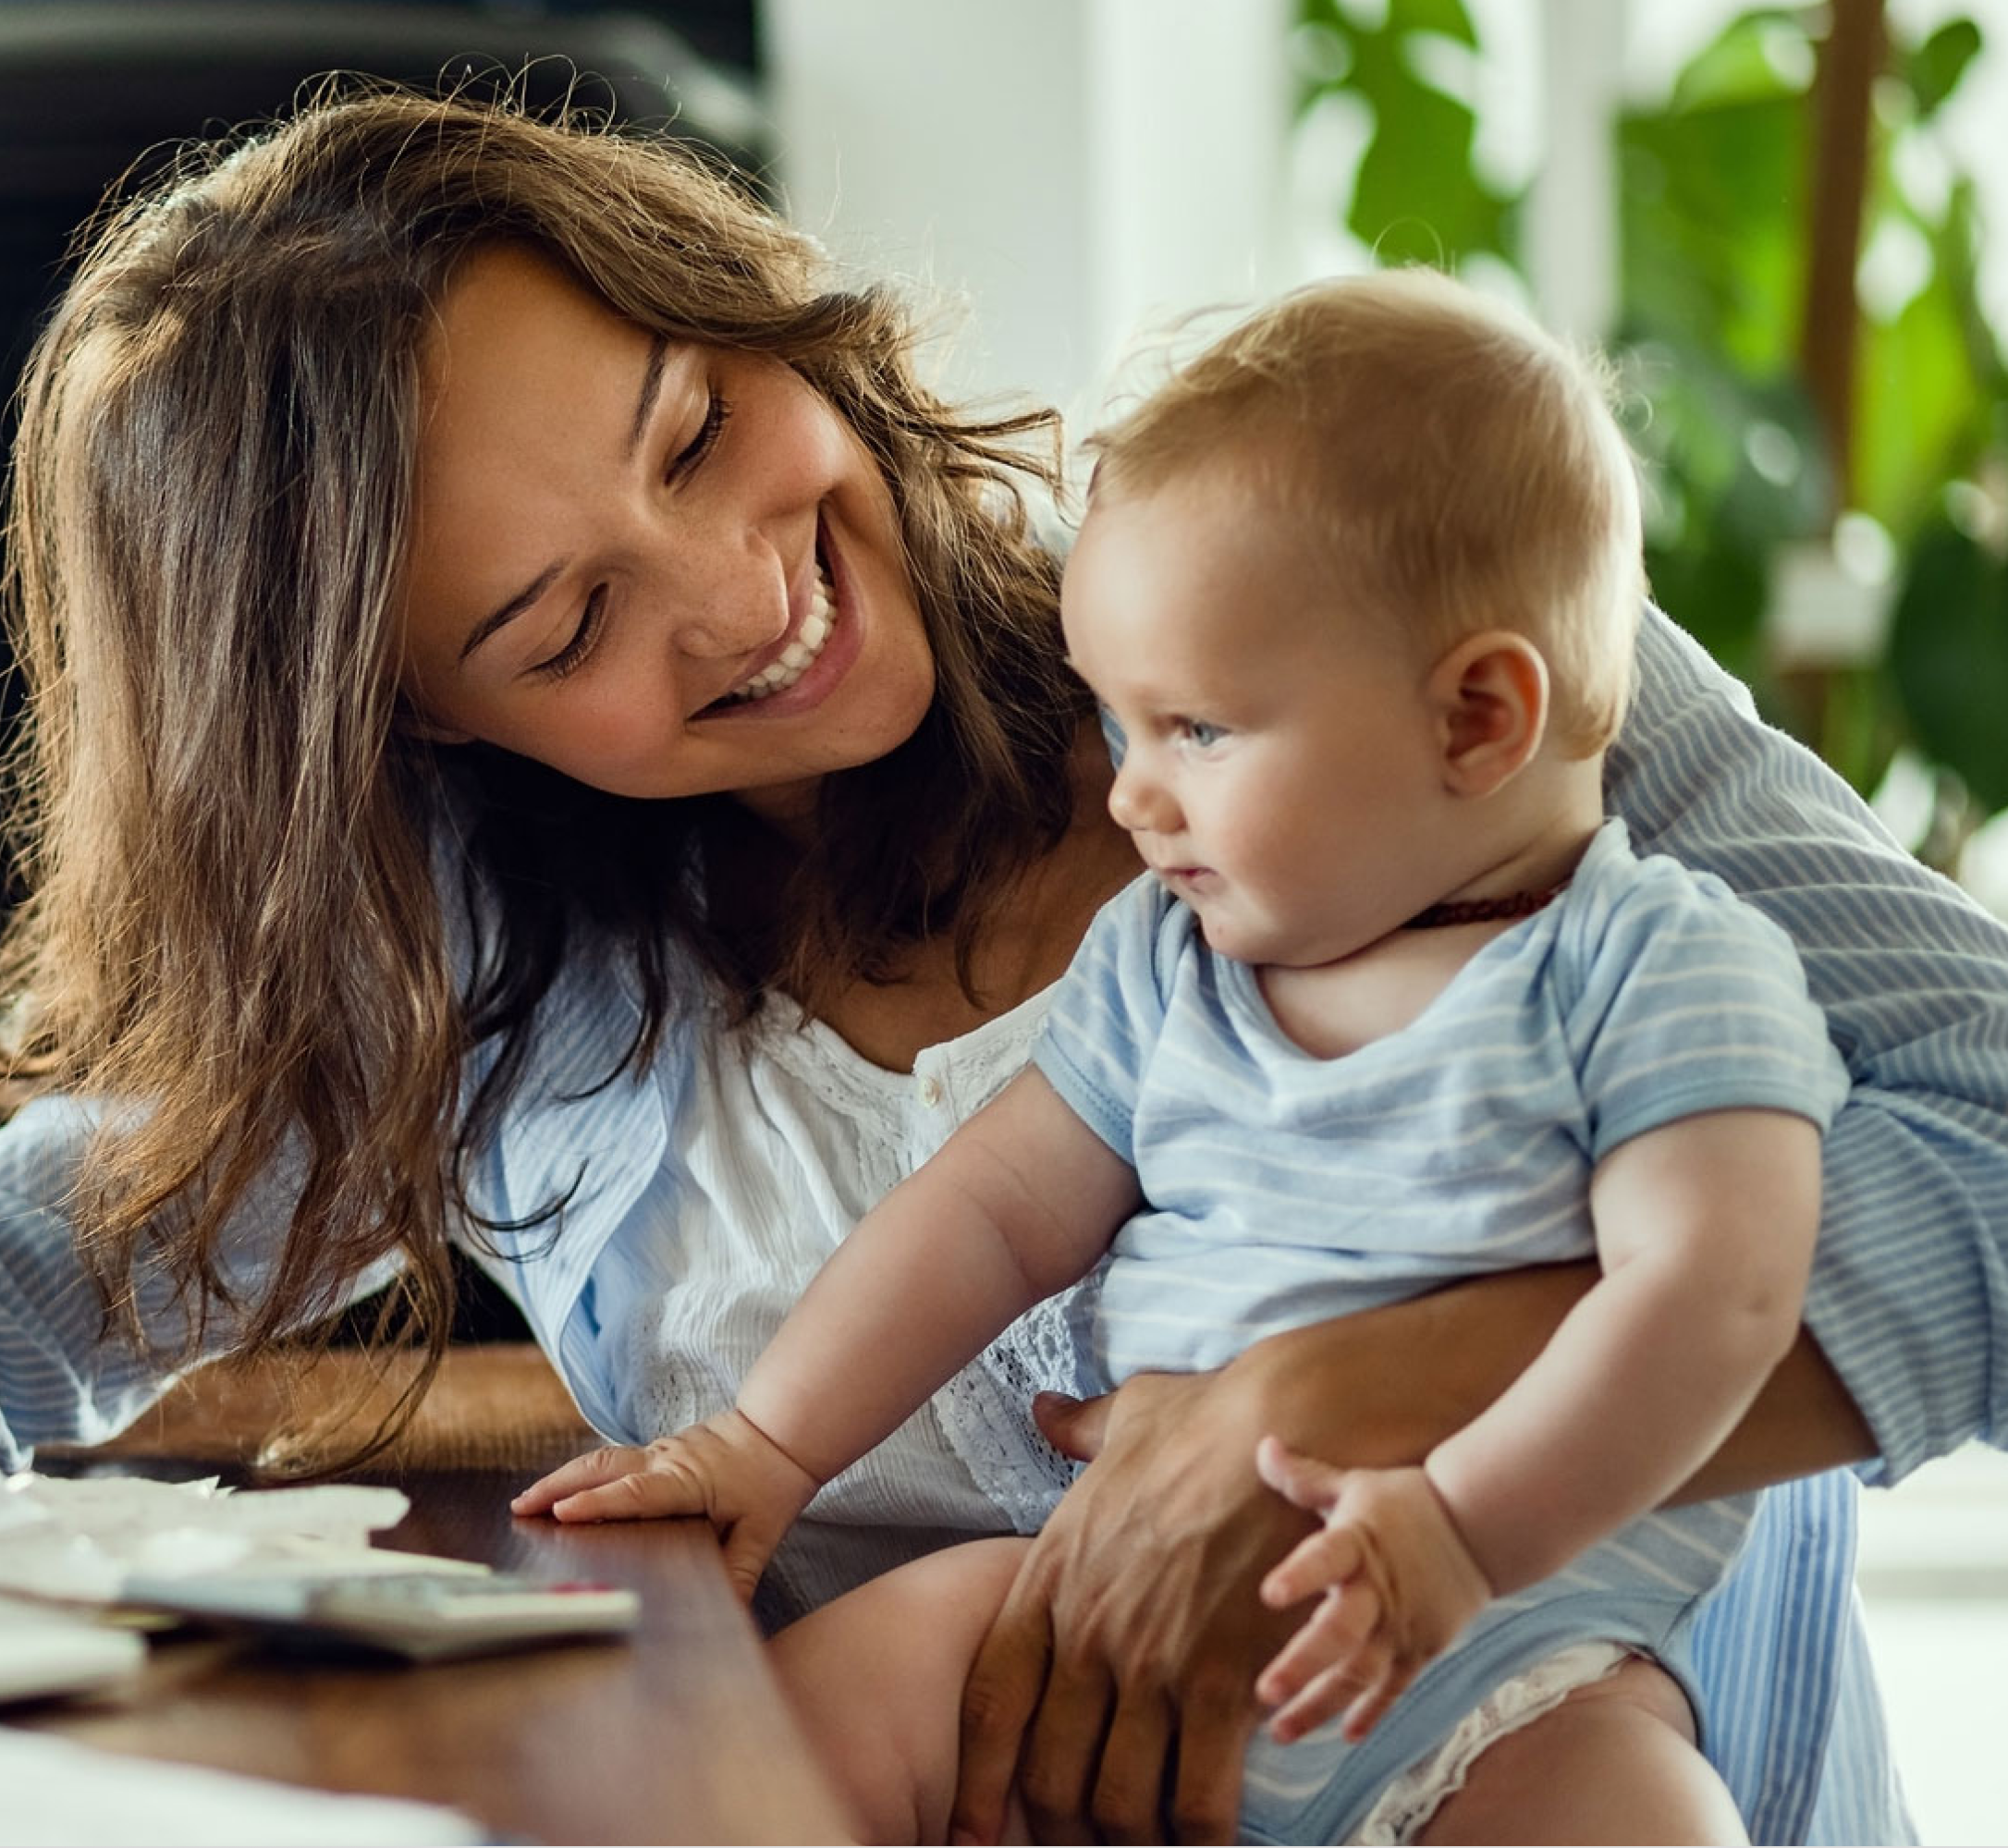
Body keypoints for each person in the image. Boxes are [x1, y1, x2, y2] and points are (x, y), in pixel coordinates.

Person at [0, 91, 2006, 1844]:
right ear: (414, 732)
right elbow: (68, 1227)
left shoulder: (1388, 638)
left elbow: (1987, 1129)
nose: (743, 598)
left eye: (690, 430)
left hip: (1539, 1738)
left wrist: (1358, 1386)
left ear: (747, 307)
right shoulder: (506, 932)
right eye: (561, 623)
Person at [514, 270, 1845, 1845]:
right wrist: (764, 1442)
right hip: (1096, 1606)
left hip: (1511, 1665)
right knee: (821, 1706)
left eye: (1194, 732)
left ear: (1477, 720)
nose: (1130, 796)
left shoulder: (1657, 971)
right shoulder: (1171, 960)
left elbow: (1723, 1302)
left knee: (1645, 1817)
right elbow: (993, 1207)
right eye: (1116, 723)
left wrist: (1457, 1531)